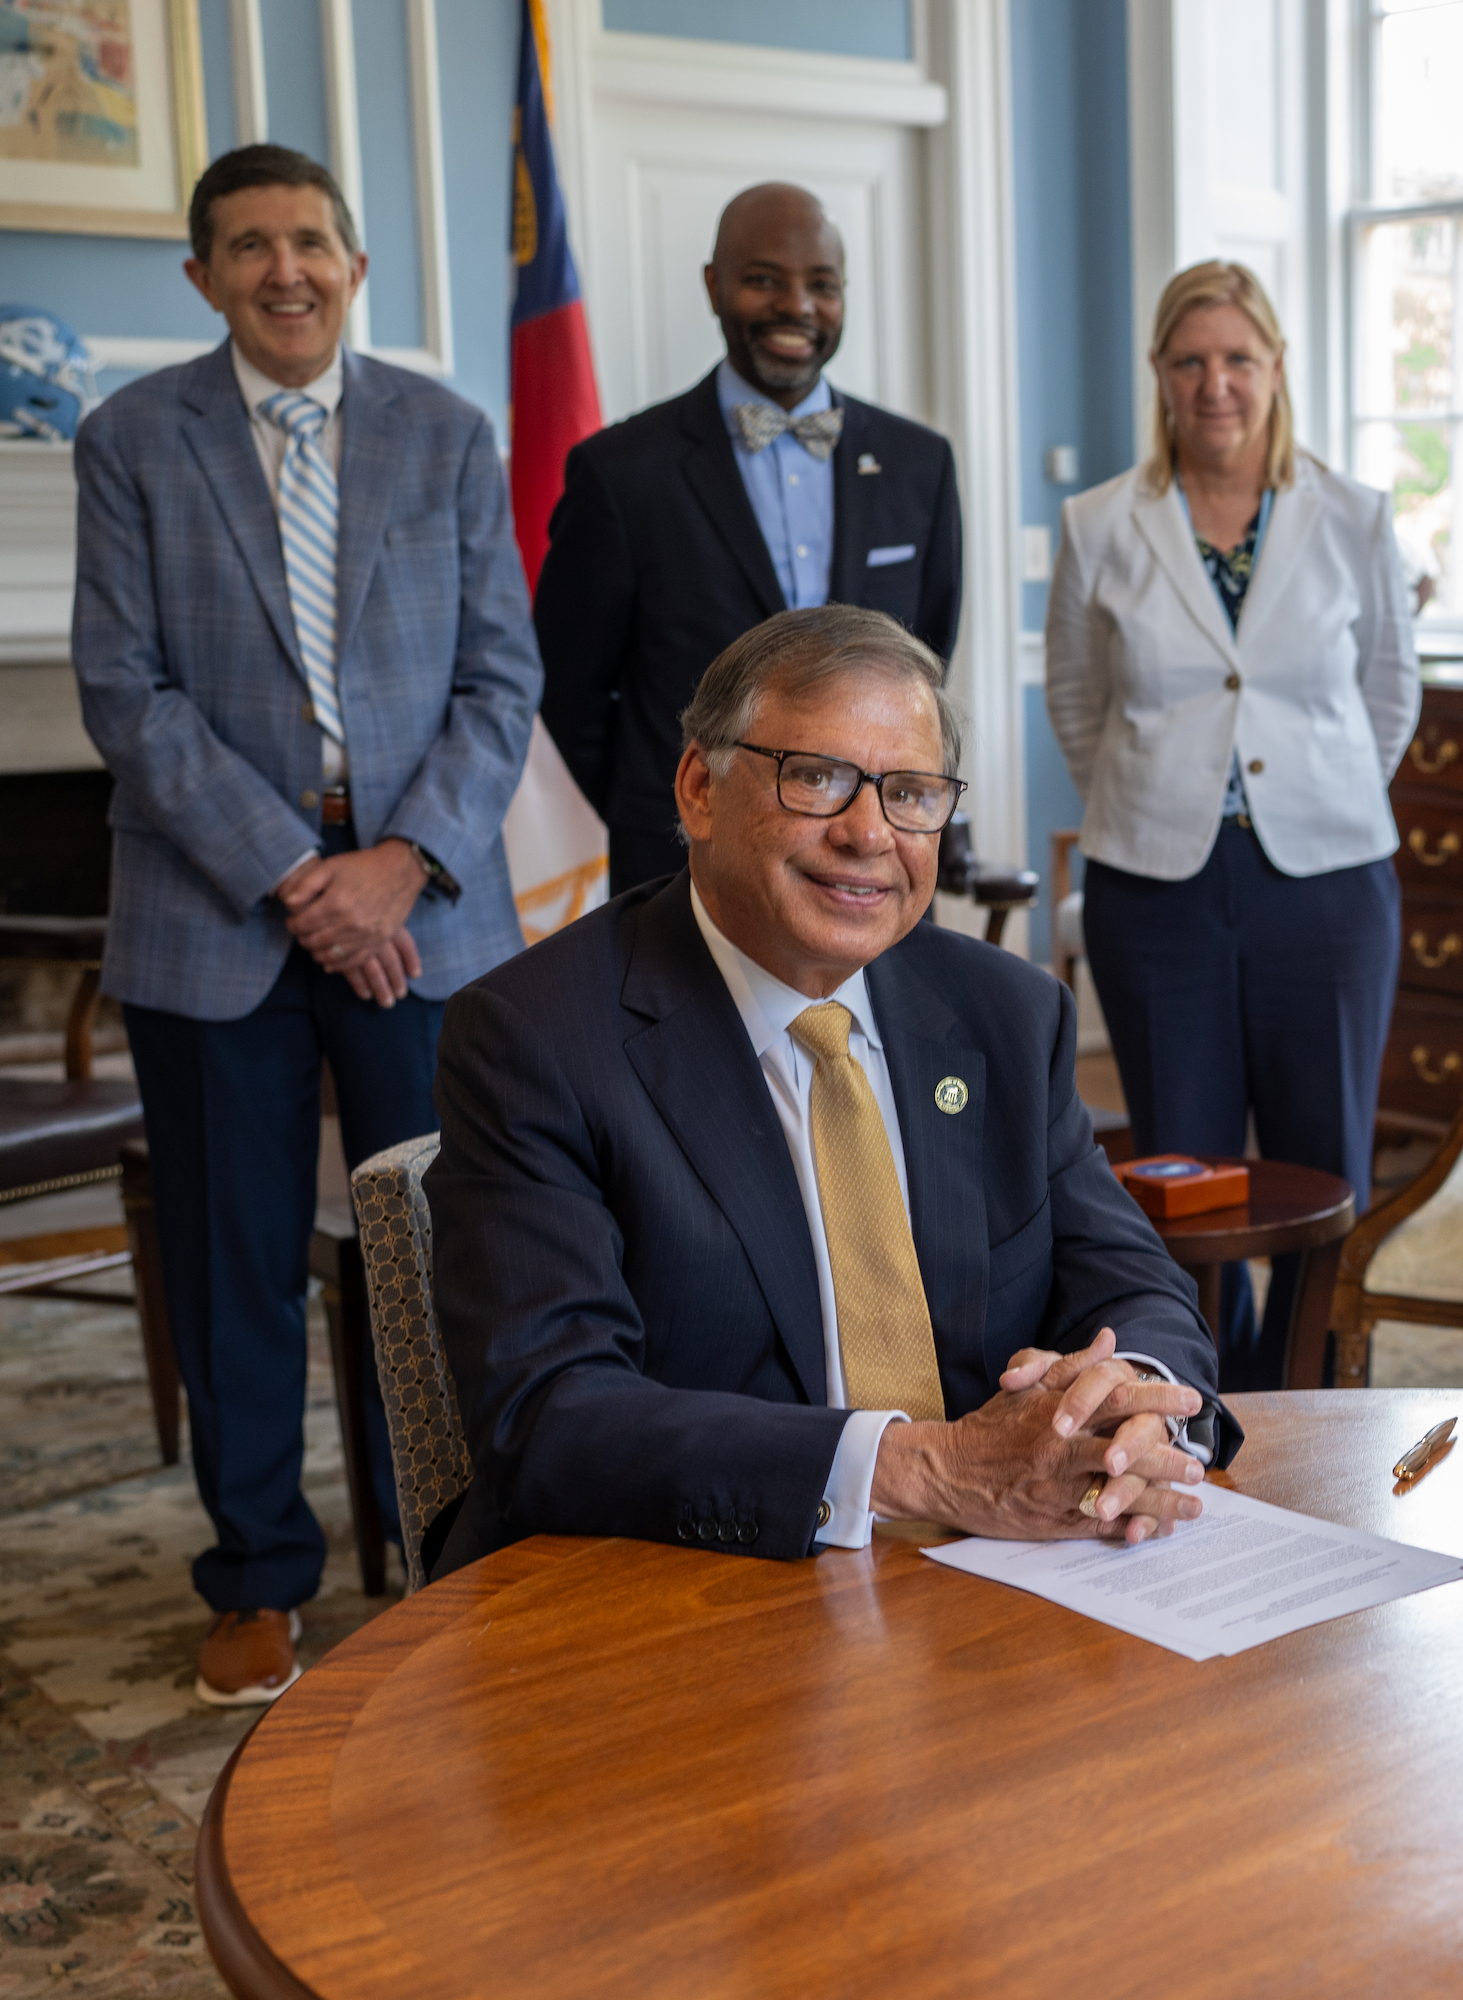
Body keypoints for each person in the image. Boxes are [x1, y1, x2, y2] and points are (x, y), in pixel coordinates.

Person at [428, 607, 1237, 1573]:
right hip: (688, 1586)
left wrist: (1130, 1403)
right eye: (816, 778)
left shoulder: (1009, 1015)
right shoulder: (536, 1037)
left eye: (910, 793)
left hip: (1001, 1574)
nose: (868, 835)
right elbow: (549, 1414)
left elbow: (1134, 1284)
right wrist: (924, 1469)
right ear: (698, 789)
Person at [68, 145, 541, 1703]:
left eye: (310, 243)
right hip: (218, 911)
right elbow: (124, 693)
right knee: (238, 1256)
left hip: (421, 908)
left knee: (438, 1245)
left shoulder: (450, 435)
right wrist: (299, 874)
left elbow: (499, 681)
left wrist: (397, 863)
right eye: (248, 246)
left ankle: (446, 1549)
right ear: (201, 277)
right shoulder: (134, 437)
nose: (285, 270)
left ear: (354, 267)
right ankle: (258, 1573)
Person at [1045, 261, 1418, 1392]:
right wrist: (1155, 791)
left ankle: (1311, 1384)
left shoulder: (1353, 516)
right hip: (1155, 887)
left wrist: (1318, 791)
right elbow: (1075, 700)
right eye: (1191, 361)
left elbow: (1389, 688)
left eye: (1237, 360)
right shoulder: (1102, 521)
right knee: (1186, 1168)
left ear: (1275, 370)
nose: (1216, 384)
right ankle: (1200, 1387)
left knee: (1324, 1159)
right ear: (1160, 375)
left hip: (1330, 884)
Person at [535, 182, 963, 897]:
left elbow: (930, 658)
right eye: (764, 279)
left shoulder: (921, 463)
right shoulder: (620, 472)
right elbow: (569, 686)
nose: (796, 306)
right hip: (680, 857)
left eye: (821, 284)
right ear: (714, 285)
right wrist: (666, 795)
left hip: (871, 852)